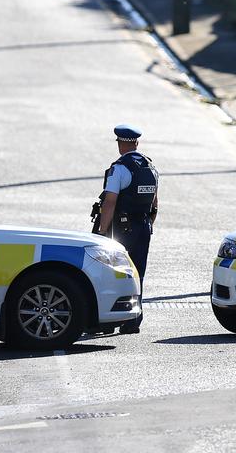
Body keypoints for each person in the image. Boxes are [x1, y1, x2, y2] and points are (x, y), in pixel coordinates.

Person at [94, 124, 158, 334]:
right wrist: (147, 226)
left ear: (121, 144)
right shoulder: (151, 168)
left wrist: (103, 232)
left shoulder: (119, 169)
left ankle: (110, 320)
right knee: (138, 272)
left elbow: (110, 202)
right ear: (136, 143)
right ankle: (134, 320)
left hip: (122, 228)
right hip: (144, 227)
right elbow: (155, 205)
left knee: (114, 271)